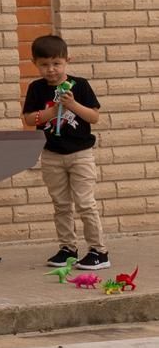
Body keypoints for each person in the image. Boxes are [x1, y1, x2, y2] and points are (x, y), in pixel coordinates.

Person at [21, 32, 107, 269]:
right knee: (61, 204)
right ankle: (68, 248)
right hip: (51, 154)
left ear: (67, 60)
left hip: (81, 154)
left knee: (85, 203)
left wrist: (72, 104)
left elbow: (94, 117)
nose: (51, 70)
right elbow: (28, 118)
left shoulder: (80, 85)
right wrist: (51, 111)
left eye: (56, 63)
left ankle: (99, 251)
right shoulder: (37, 88)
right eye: (44, 65)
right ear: (35, 64)